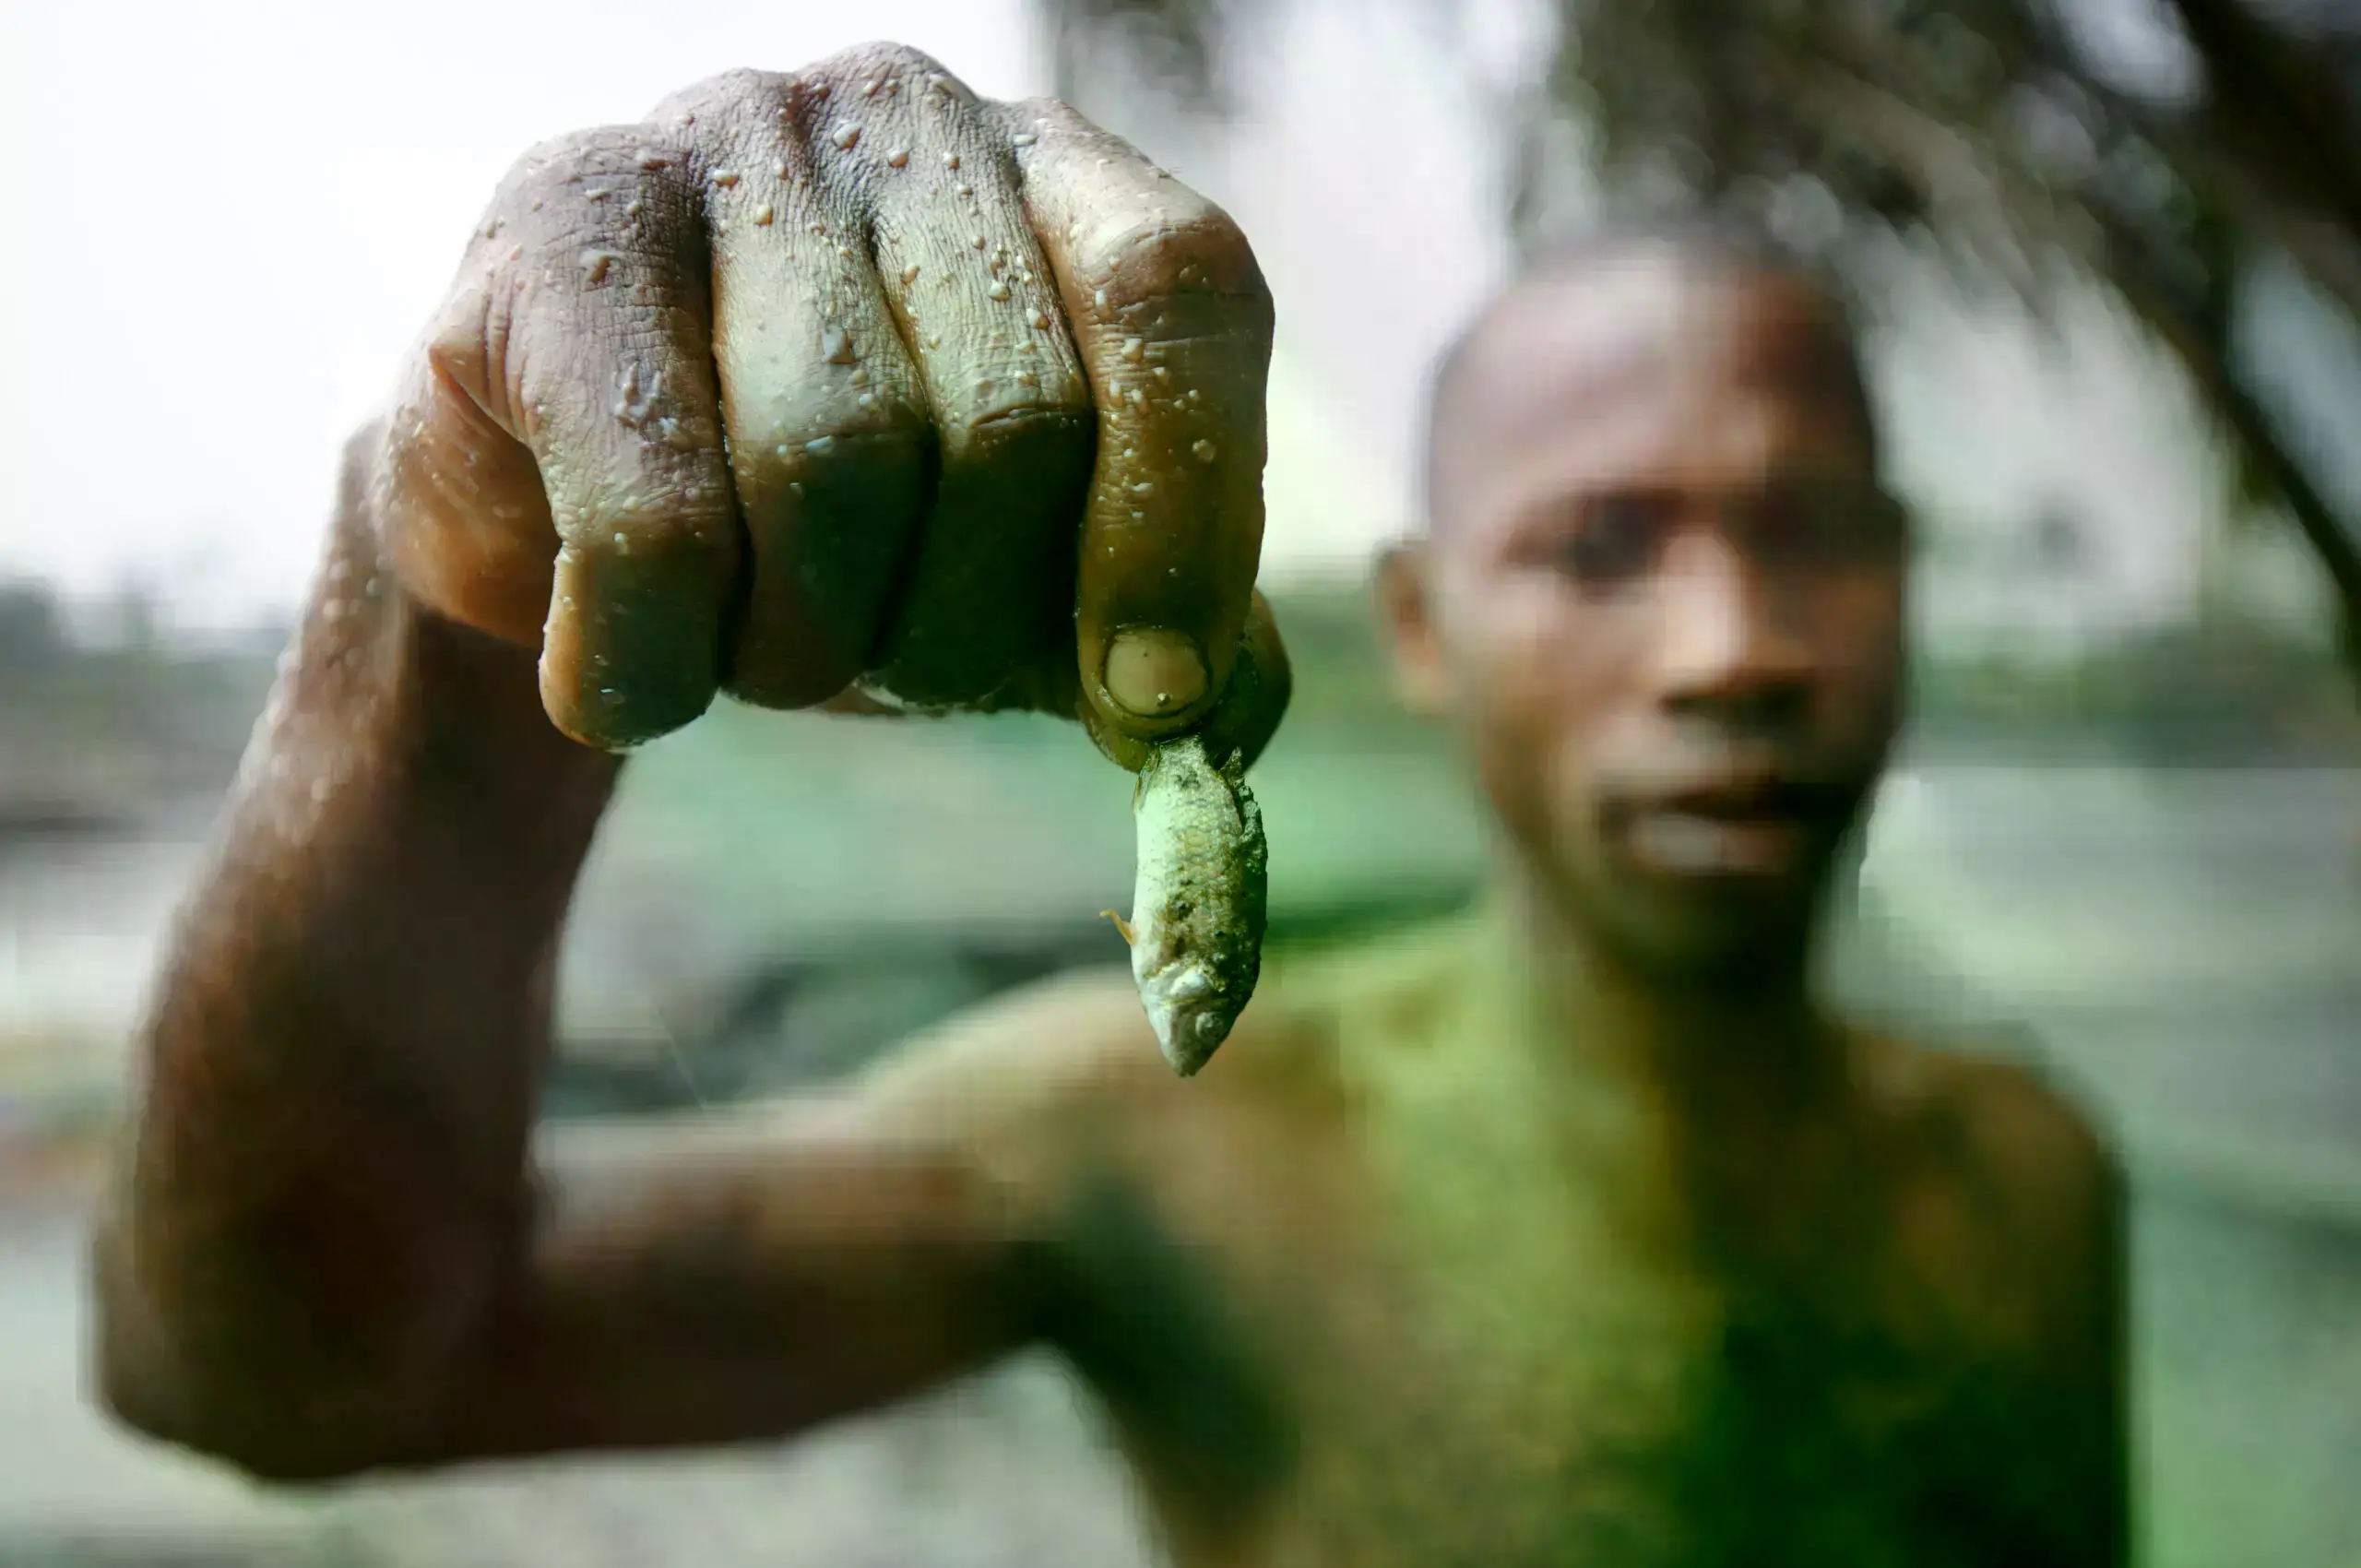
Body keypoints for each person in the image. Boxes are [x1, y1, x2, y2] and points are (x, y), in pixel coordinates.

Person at [89, 42, 2127, 1567]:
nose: (1730, 647)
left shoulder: (2037, 1173)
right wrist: (449, 594)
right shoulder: (1153, 1152)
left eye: (1812, 536)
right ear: (1418, 625)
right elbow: (272, 1369)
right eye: (1599, 544)